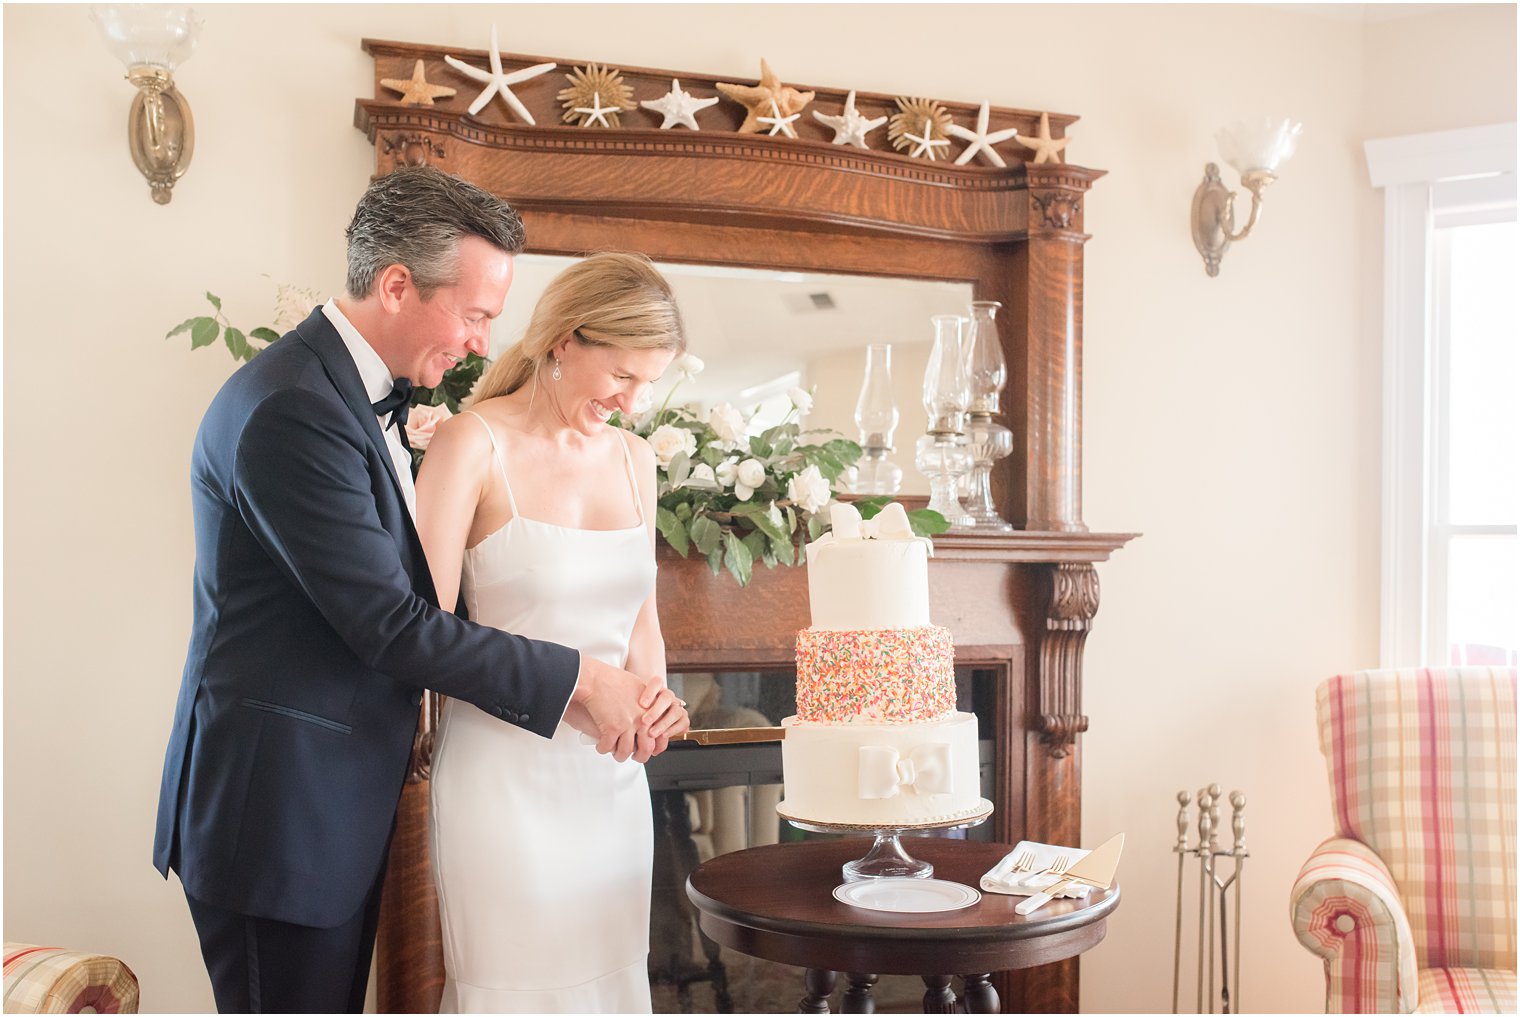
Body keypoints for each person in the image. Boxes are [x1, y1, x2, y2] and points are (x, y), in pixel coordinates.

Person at [151, 167, 683, 1014]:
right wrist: (585, 679)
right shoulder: (293, 406)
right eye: (474, 315)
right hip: (280, 810)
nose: (481, 343)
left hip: (326, 802)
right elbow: (393, 625)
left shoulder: (348, 398)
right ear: (397, 285)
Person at [415, 252, 690, 1013]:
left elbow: (642, 623)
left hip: (610, 785)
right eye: (624, 376)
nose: (634, 403)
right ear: (565, 341)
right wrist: (577, 689)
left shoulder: (637, 462)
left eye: (650, 382)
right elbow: (423, 640)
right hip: (502, 784)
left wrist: (661, 703)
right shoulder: (470, 443)